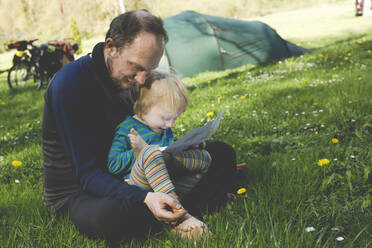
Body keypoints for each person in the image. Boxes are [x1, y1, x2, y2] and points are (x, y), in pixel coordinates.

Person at [42, 9, 237, 244]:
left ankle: (168, 205)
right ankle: (180, 212)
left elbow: (149, 133)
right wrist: (144, 197)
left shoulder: (131, 76)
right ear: (111, 46)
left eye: (150, 69)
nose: (142, 80)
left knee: (222, 153)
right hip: (82, 191)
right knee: (112, 216)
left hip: (138, 171)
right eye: (136, 67)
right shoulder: (69, 86)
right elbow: (88, 174)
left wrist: (177, 149)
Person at [107, 71, 212, 236]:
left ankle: (173, 205)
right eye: (165, 118)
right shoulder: (127, 128)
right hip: (139, 188)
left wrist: (190, 146)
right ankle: (179, 217)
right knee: (150, 153)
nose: (170, 124)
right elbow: (113, 165)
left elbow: (168, 150)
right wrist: (138, 151)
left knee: (204, 157)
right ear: (144, 107)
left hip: (165, 182)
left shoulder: (162, 128)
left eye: (175, 119)